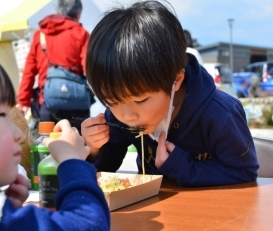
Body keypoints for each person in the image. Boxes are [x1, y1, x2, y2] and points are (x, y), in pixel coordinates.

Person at [81, 0, 259, 187]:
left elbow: (244, 170)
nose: (127, 116)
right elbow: (105, 168)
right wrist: (94, 149)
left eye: (140, 100)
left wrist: (182, 167)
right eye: (112, 101)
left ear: (176, 79)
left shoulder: (220, 114)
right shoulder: (120, 112)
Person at [0, 45, 109, 230]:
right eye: (0, 115)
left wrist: (9, 210)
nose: (18, 134)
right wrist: (73, 162)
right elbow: (89, 224)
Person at [16, 0, 92, 133]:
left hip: (47, 104)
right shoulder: (81, 34)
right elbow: (90, 69)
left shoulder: (41, 35)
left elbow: (29, 70)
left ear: (58, 11)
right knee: (80, 146)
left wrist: (23, 101)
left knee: (47, 146)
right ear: (78, 13)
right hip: (77, 103)